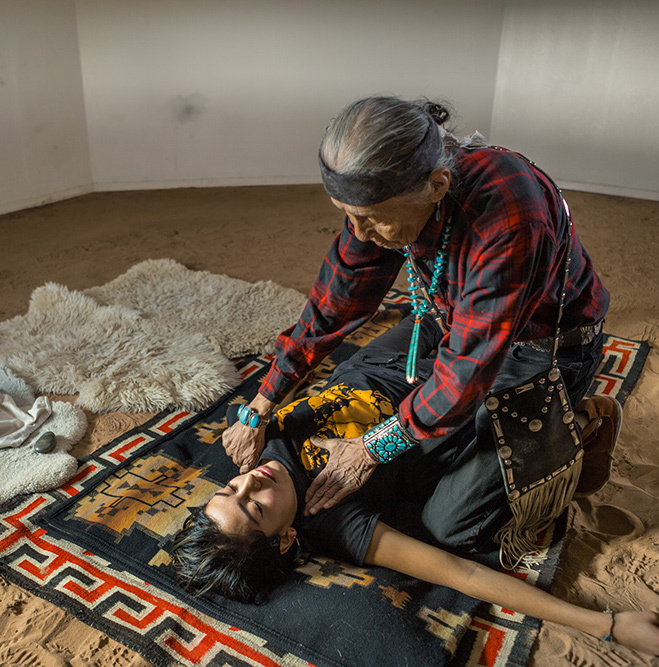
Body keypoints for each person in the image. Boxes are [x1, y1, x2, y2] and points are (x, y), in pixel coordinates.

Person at [222, 95, 622, 567]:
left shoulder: (511, 209)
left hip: (536, 346)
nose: (360, 232)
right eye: (348, 214)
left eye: (371, 218)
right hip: (450, 319)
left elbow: (466, 371)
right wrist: (264, 401)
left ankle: (580, 420)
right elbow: (336, 300)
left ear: (437, 185)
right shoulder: (387, 203)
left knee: (452, 526)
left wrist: (371, 450)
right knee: (377, 383)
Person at [170, 338, 659, 658]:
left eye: (231, 488)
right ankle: (579, 420)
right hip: (453, 399)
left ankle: (556, 424)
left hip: (406, 351)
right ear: (287, 540)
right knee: (450, 531)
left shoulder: (248, 448)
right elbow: (460, 574)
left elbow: (295, 364)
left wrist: (258, 410)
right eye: (255, 506)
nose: (251, 481)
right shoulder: (330, 520)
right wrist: (608, 625)